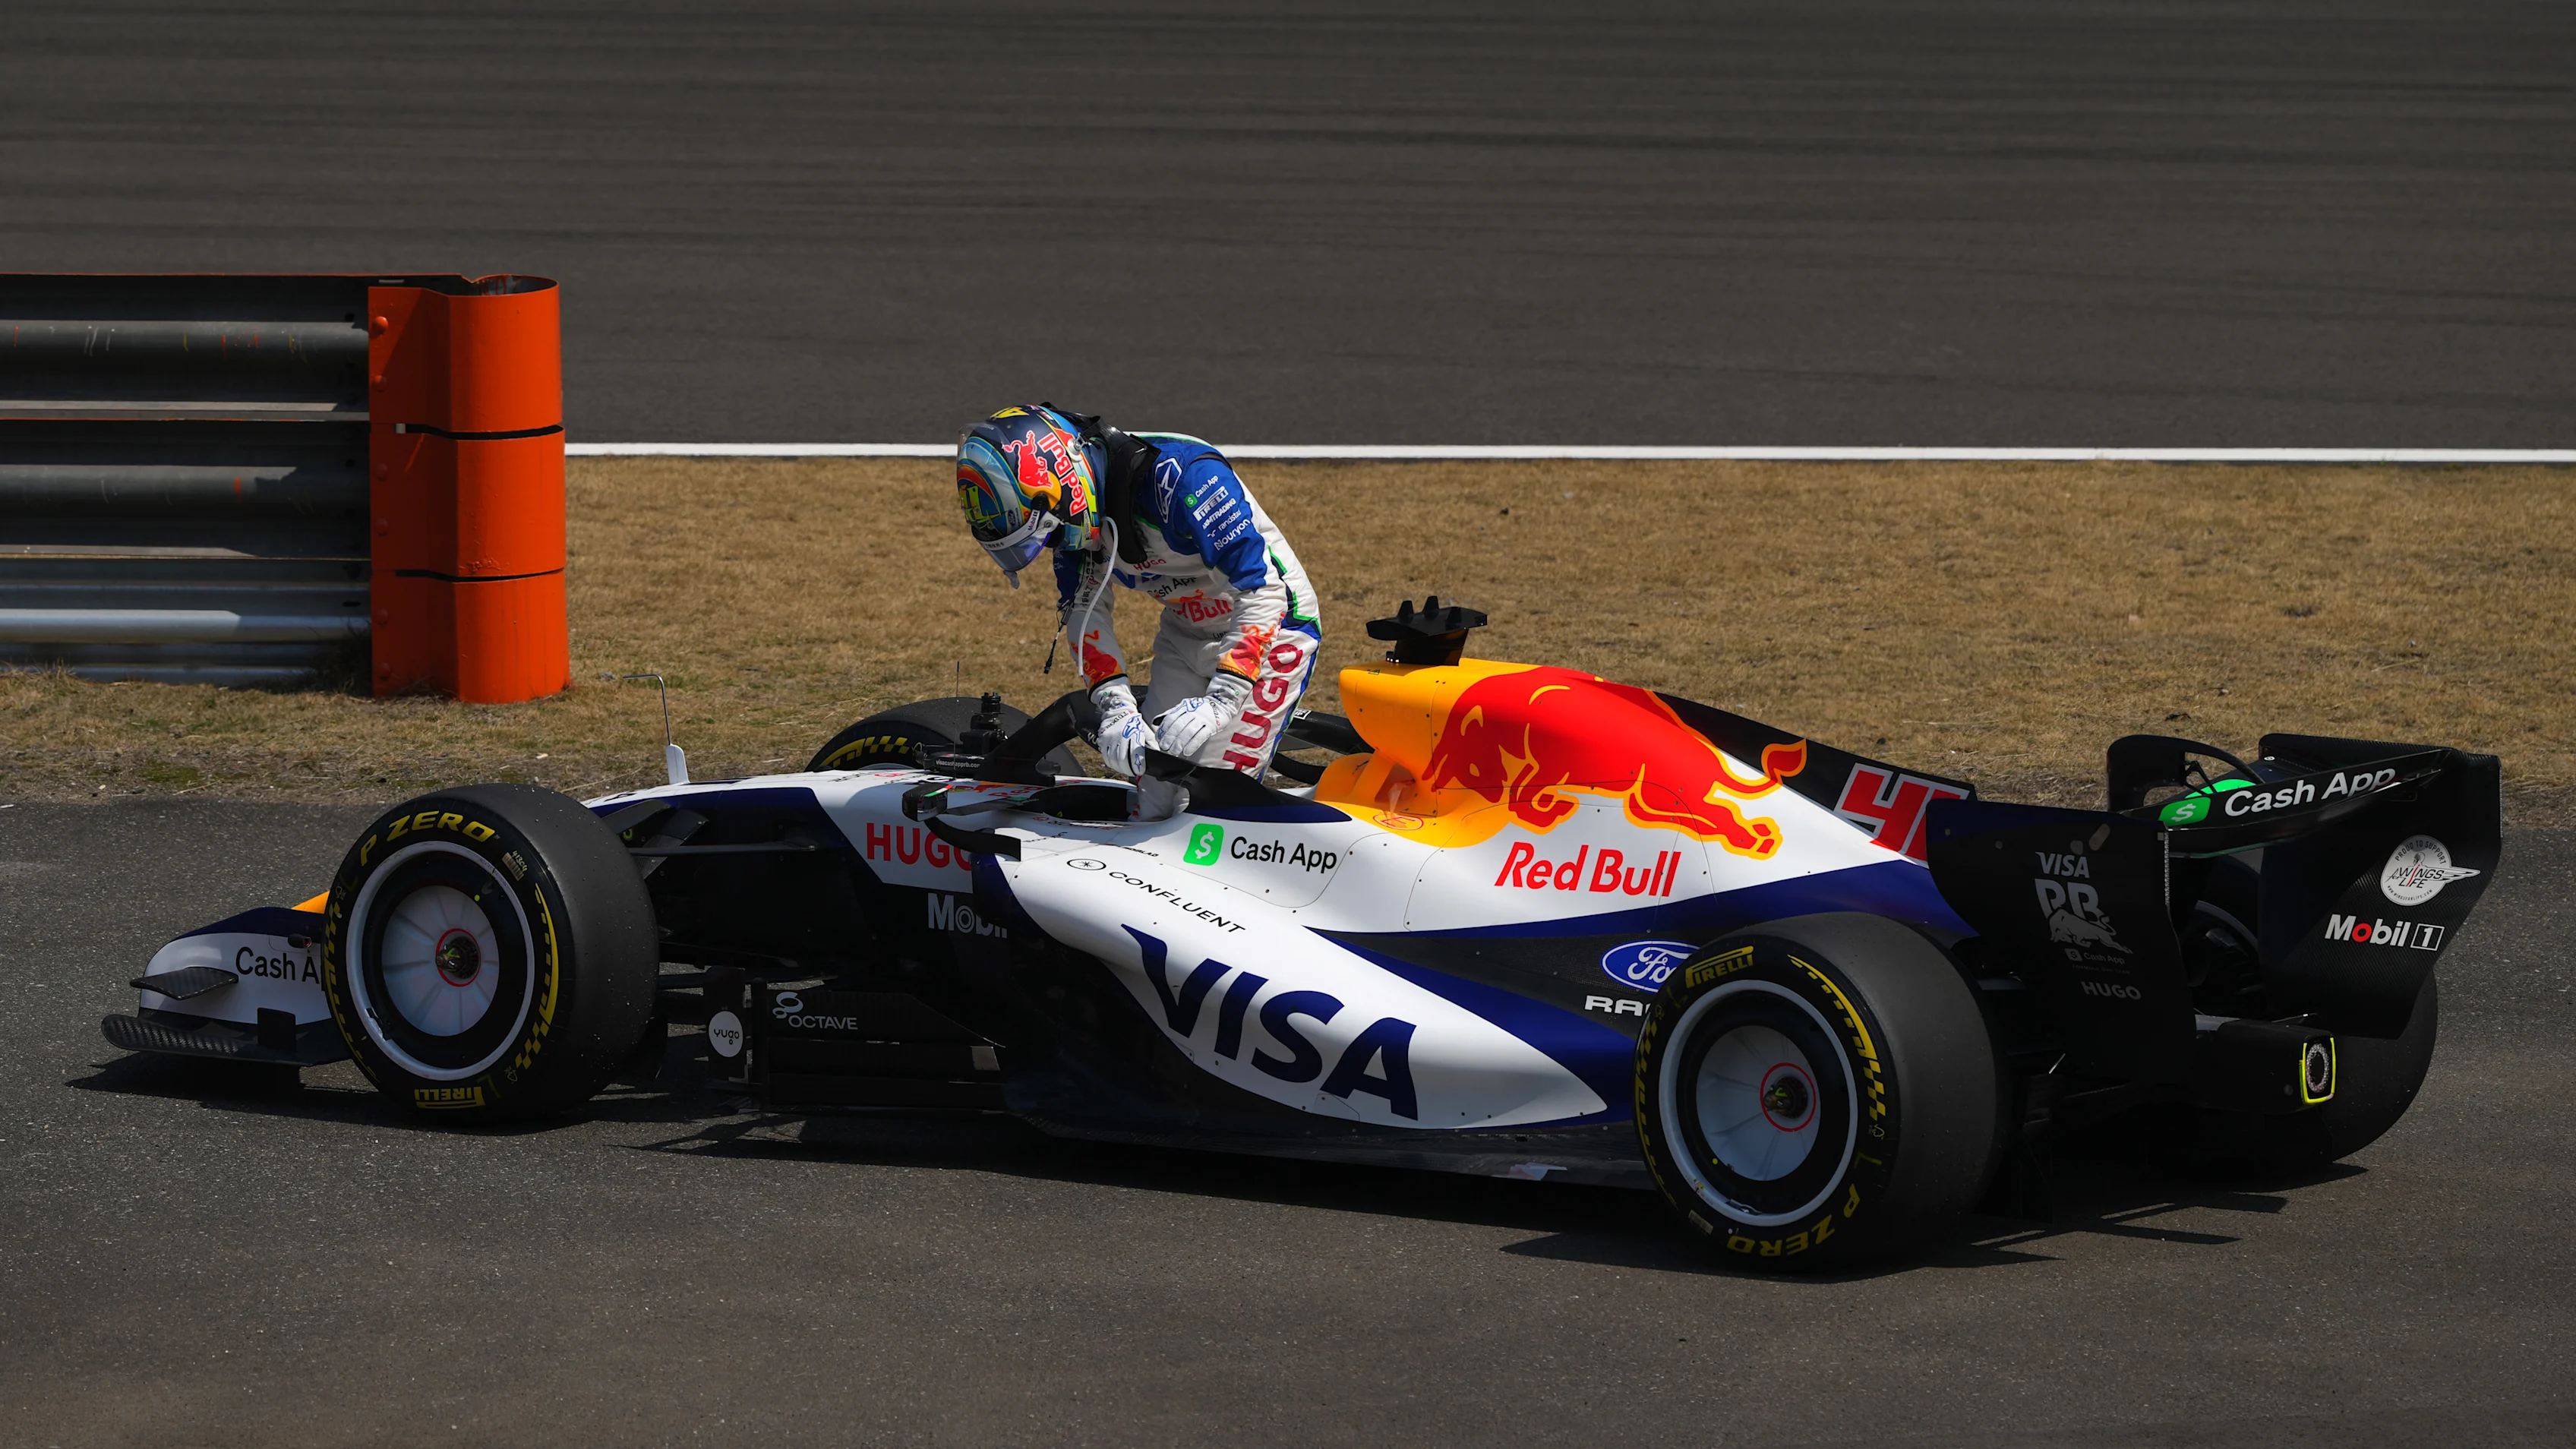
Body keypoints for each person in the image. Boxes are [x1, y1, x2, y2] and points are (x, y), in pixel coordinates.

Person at [955, 405, 1320, 807]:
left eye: (1049, 531)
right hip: (1185, 630)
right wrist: (1116, 709)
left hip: (1277, 626)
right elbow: (1083, 612)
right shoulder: (1075, 518)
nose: (1054, 546)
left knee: (1215, 804)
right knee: (1158, 801)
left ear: (1063, 483)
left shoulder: (1186, 477)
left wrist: (1224, 698)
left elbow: (1262, 591)